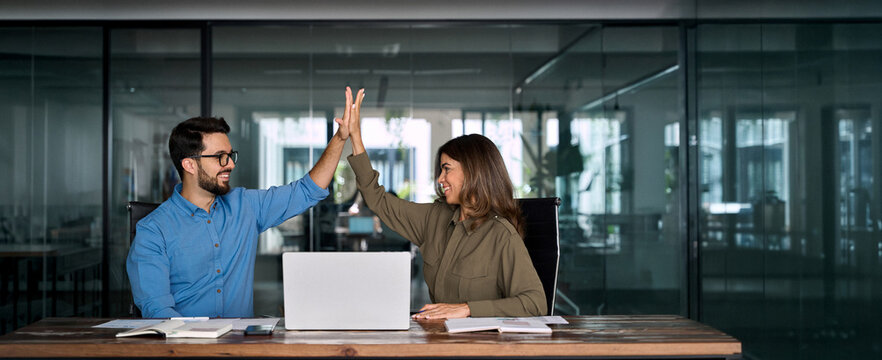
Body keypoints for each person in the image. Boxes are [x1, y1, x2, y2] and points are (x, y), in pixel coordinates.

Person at [127, 89, 358, 318]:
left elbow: (308, 191)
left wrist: (340, 138)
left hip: (240, 349)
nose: (230, 165)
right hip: (184, 349)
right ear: (189, 165)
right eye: (220, 157)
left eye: (230, 155)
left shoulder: (245, 206)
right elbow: (158, 312)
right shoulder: (153, 231)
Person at [344, 89, 546, 319]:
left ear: (472, 172)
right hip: (439, 341)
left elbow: (535, 303)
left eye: (447, 169)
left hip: (483, 347)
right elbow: (377, 199)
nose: (440, 179)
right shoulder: (433, 218)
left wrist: (467, 309)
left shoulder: (501, 235)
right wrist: (355, 137)